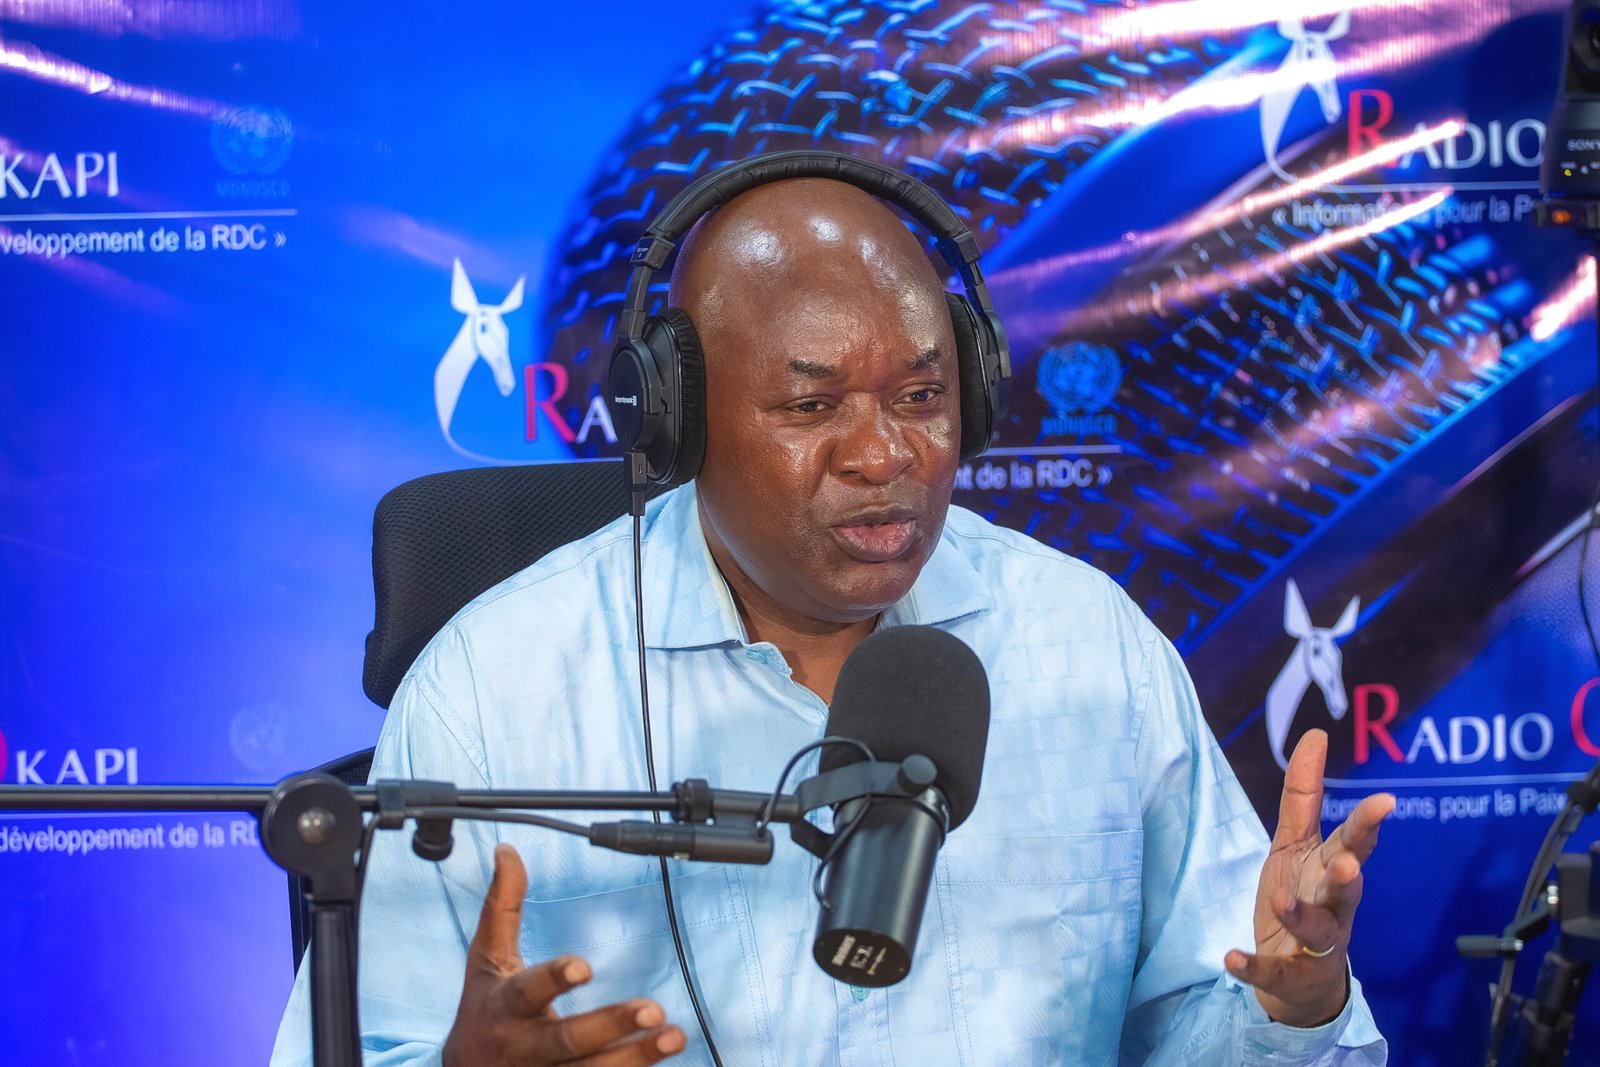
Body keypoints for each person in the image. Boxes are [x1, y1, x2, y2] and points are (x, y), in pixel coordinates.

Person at [271, 172, 1395, 1066]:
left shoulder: (1086, 643)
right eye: (812, 406)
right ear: (680, 421)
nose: (883, 454)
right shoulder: (495, 686)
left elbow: (1201, 1023)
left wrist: (1292, 1004)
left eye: (921, 396)